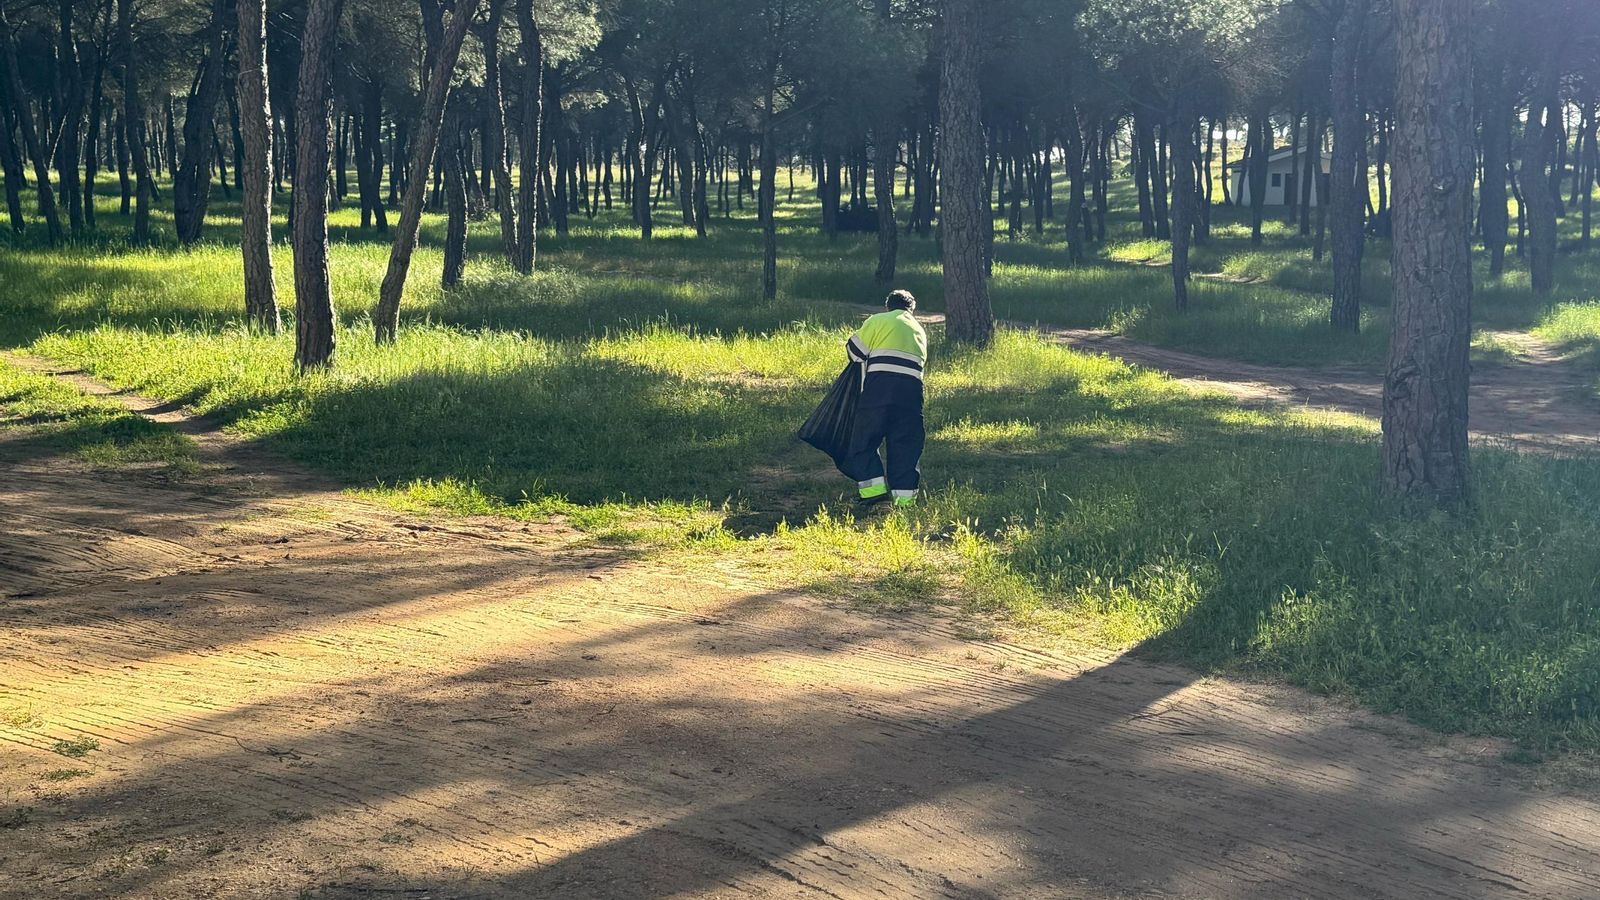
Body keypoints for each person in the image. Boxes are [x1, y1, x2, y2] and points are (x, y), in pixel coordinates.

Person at [840, 290, 927, 508]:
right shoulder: (919, 329)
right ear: (911, 309)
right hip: (911, 393)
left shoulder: (878, 320)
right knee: (905, 444)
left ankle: (873, 493)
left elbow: (854, 352)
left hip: (880, 388)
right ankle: (905, 501)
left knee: (864, 439)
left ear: (888, 306)